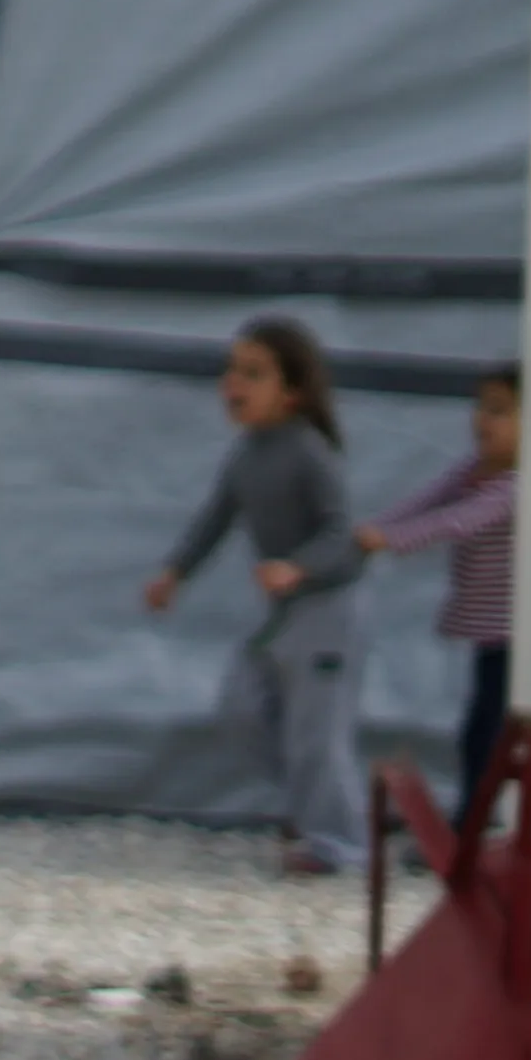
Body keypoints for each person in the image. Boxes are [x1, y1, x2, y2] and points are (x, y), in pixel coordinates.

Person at [144, 316, 370, 875]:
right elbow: (215, 518)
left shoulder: (310, 452)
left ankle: (341, 846)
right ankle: (311, 808)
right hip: (285, 615)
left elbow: (344, 535)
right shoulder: (246, 455)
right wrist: (175, 572)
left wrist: (299, 568)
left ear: (291, 392)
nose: (233, 384)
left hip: (328, 612)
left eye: (252, 373)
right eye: (231, 371)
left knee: (317, 732)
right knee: (243, 708)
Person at [359, 364, 521, 828]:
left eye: (499, 411)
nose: (482, 420)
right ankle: (472, 818)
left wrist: (394, 540)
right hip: (487, 633)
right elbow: (429, 500)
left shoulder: (518, 486)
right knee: (477, 729)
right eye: (480, 407)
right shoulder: (474, 472)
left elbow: (458, 521)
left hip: (510, 634)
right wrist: (379, 528)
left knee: (487, 733)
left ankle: (476, 821)